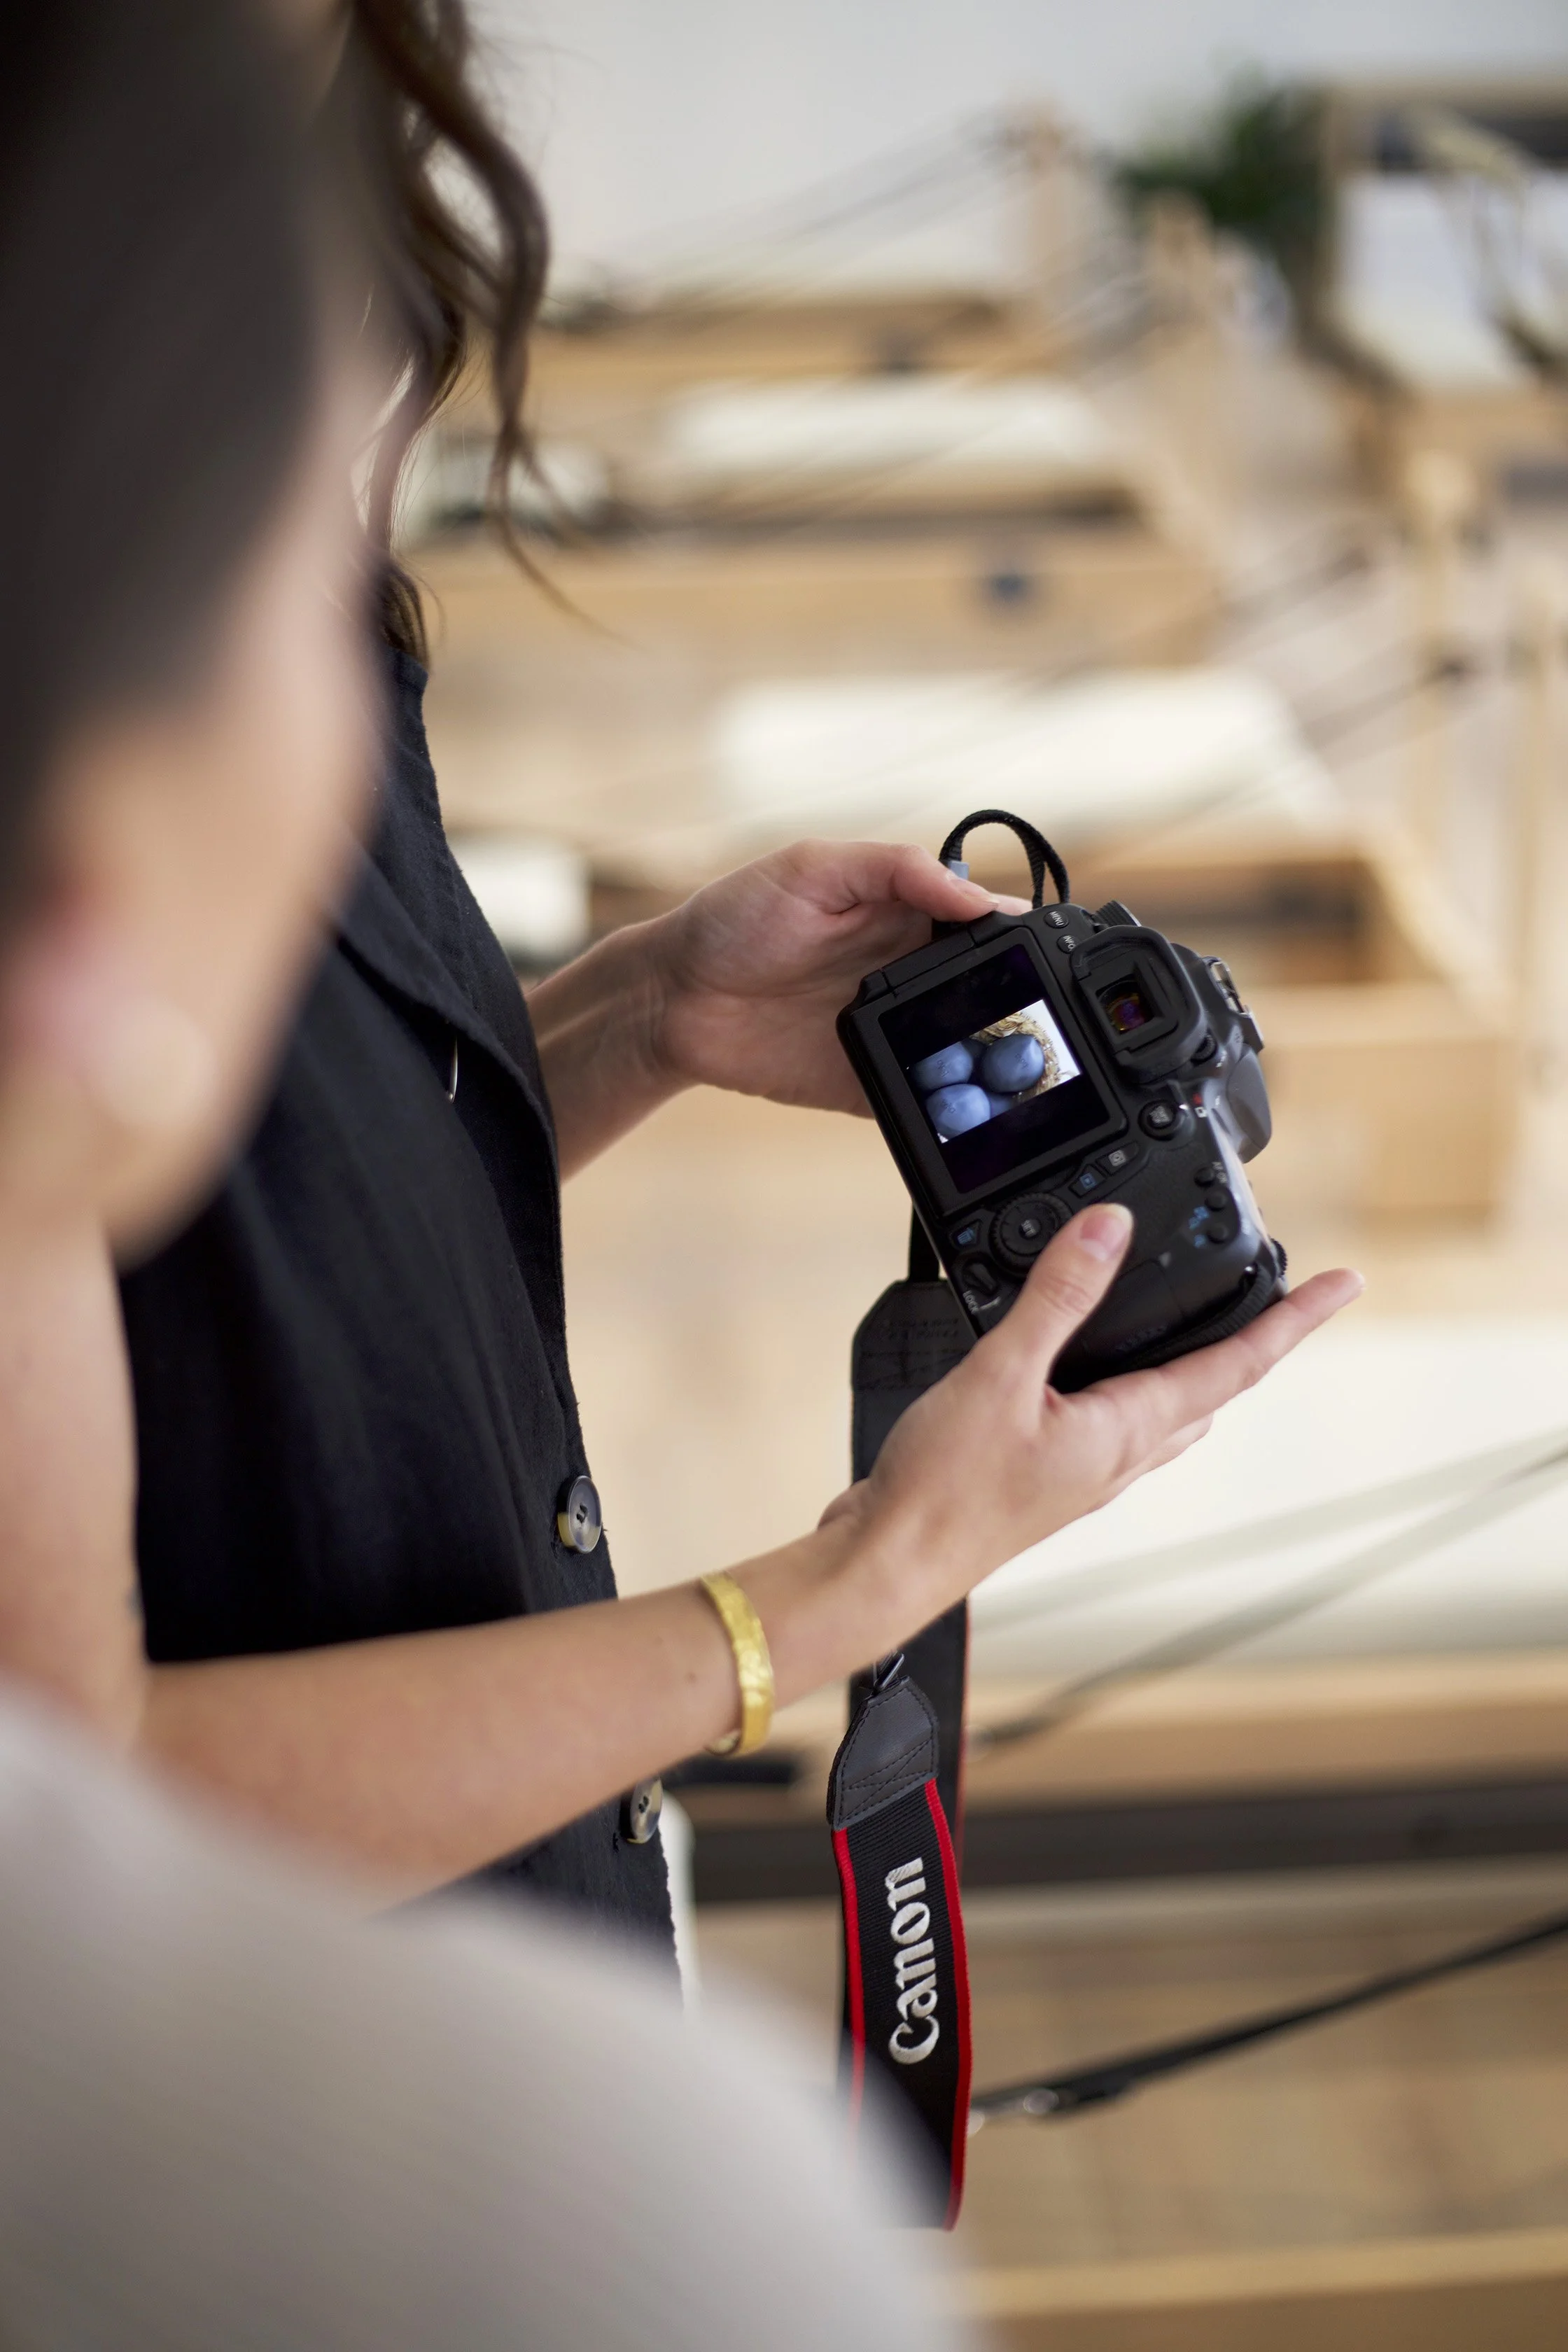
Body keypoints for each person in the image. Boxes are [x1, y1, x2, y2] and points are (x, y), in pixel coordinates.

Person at [0, 0, 1362, 1940]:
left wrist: (638, 1019)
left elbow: (244, 1237)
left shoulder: (241, 208)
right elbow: (58, 1833)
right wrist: (839, 1596)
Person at [0, 6, 971, 2341]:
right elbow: (85, 1800)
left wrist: (628, 1022)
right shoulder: (607, 2228)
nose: (357, 669)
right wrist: (830, 1602)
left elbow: (217, 1191)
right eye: (291, 579)